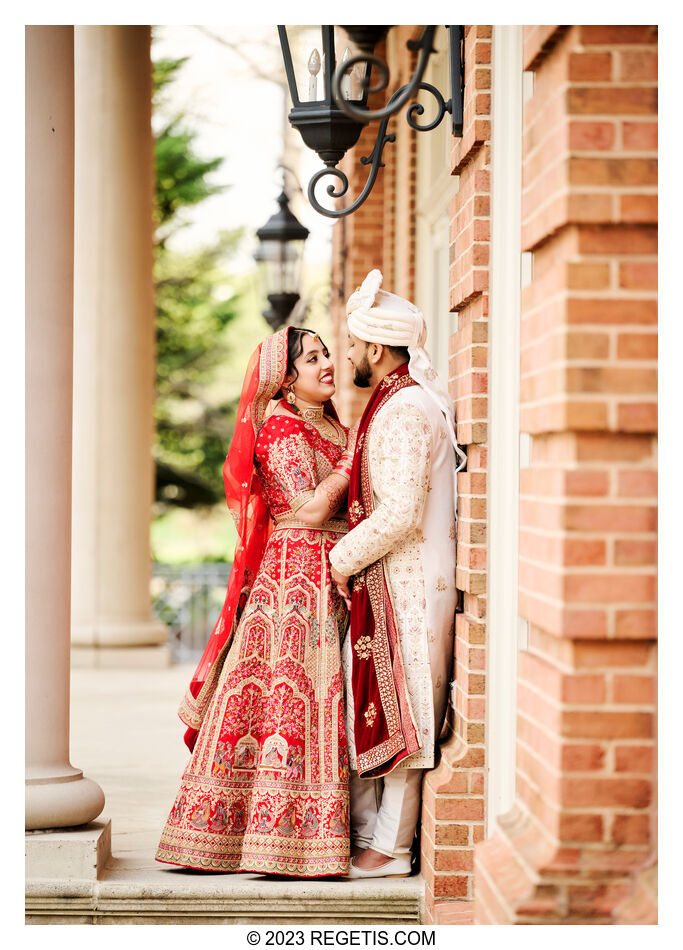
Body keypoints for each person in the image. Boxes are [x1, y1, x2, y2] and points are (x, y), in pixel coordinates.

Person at [156, 326, 355, 877]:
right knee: (288, 699)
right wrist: (350, 461)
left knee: (321, 700)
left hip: (332, 571)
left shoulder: (329, 424)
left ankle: (302, 838)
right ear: (286, 379)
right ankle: (246, 838)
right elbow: (310, 510)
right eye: (312, 360)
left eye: (325, 355)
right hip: (295, 580)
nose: (327, 365)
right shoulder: (282, 426)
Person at [329, 269, 466, 879]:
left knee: (407, 707)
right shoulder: (396, 401)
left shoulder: (406, 409)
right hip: (390, 581)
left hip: (409, 582)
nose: (348, 357)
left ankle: (389, 846)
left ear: (377, 351)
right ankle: (368, 836)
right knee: (378, 703)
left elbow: (403, 510)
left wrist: (338, 558)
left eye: (353, 347)